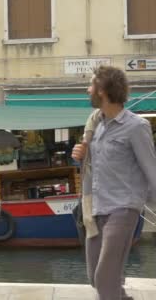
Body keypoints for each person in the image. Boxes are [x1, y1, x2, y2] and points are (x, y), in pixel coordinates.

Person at [72, 66, 156, 300]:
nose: (87, 90)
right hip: (96, 207)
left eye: (91, 85)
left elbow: (151, 168)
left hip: (124, 208)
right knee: (94, 277)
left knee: (105, 277)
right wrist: (80, 154)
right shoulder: (97, 126)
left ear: (102, 91)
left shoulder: (137, 127)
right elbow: (95, 167)